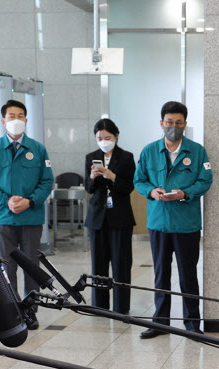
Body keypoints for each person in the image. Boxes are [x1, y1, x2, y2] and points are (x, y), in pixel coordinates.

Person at [134, 101, 212, 339]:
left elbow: (205, 180)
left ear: (185, 125)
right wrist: (151, 192)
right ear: (161, 123)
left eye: (178, 123)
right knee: (160, 275)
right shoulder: (149, 151)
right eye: (169, 122)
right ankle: (160, 323)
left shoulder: (197, 151)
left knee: (188, 275)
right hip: (158, 223)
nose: (173, 127)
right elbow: (140, 180)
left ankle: (192, 325)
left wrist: (185, 193)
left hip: (186, 224)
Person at [0, 99, 54, 330]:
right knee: (5, 267)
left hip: (30, 217)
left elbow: (47, 180)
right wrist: (5, 200)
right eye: (11, 116)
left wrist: (29, 201)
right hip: (3, 217)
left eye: (20, 116)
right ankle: (12, 312)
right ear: (3, 121)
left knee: (31, 266)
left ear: (26, 120)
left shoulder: (38, 149)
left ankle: (30, 311)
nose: (16, 120)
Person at [84, 118, 136, 314]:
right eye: (99, 137)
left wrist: (112, 176)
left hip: (120, 217)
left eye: (107, 137)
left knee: (121, 263)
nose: (103, 140)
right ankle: (100, 307)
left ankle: (121, 308)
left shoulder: (126, 157)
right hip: (97, 217)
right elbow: (88, 189)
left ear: (116, 136)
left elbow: (129, 187)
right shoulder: (91, 157)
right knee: (98, 264)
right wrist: (92, 177)